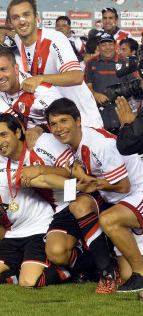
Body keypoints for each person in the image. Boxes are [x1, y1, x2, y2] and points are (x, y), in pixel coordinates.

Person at [46, 97, 143, 292]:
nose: (58, 128)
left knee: (108, 219)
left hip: (136, 193)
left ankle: (141, 274)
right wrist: (81, 174)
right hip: (120, 202)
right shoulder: (78, 142)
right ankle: (109, 269)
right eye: (53, 124)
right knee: (125, 274)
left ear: (78, 120)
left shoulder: (99, 143)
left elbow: (123, 186)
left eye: (64, 121)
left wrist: (94, 185)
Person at [0, 114, 68, 287]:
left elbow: (72, 173)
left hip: (55, 215)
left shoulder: (41, 144)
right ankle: (21, 271)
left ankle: (71, 270)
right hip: (16, 231)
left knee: (30, 282)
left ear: (18, 133)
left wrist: (40, 169)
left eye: (4, 135)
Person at [6, 0, 103, 128]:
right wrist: (0, 32)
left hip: (84, 118)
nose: (22, 21)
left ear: (36, 17)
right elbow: (7, 34)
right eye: (16, 17)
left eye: (26, 15)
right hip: (58, 121)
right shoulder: (18, 39)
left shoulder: (55, 38)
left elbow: (76, 77)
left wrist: (40, 78)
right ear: (10, 23)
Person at [85, 32, 134, 133]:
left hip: (121, 114)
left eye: (110, 44)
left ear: (115, 45)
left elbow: (135, 85)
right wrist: (96, 95)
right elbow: (86, 85)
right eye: (103, 45)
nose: (107, 48)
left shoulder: (125, 62)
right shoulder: (91, 63)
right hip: (98, 115)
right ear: (98, 47)